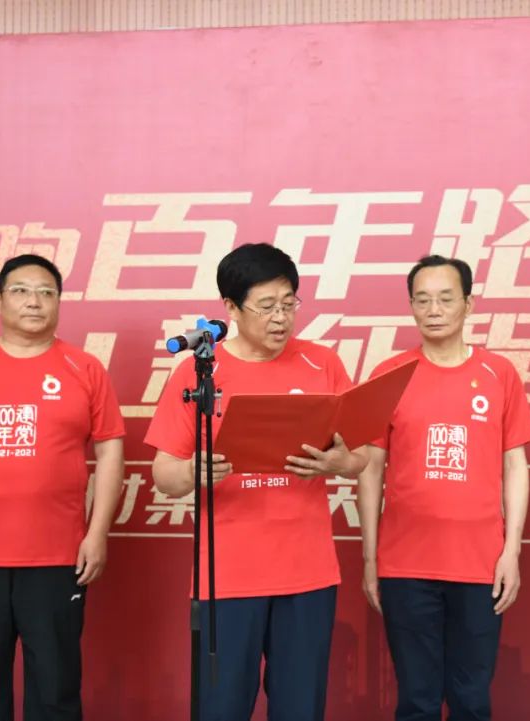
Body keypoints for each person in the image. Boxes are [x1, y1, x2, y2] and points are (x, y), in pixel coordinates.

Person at [145, 242, 368, 721]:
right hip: (226, 576)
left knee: (300, 708)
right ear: (230, 307)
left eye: (289, 304)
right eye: (266, 307)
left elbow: (361, 457)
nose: (281, 318)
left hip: (307, 573)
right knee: (221, 708)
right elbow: (165, 475)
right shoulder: (198, 372)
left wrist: (337, 463)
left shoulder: (322, 364)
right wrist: (193, 471)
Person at [0, 254, 125, 721]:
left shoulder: (84, 368)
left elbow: (110, 454)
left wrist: (97, 534)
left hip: (58, 557)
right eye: (21, 291)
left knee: (55, 693)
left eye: (46, 292)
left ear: (58, 303)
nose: (34, 301)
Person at [357, 255, 530, 721]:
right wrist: (372, 558)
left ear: (468, 304)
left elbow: (515, 464)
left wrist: (511, 550)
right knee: (416, 699)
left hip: (480, 564)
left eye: (445, 299)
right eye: (422, 300)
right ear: (411, 306)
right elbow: (371, 470)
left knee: (471, 699)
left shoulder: (499, 373)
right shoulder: (389, 373)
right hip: (405, 564)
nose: (433, 310)